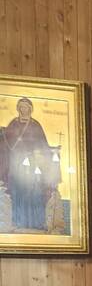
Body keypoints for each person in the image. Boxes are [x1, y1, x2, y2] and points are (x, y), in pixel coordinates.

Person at [0, 97, 61, 230]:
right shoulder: (13, 124)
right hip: (16, 166)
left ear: (30, 109)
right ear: (18, 109)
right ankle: (17, 221)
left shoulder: (35, 125)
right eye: (21, 107)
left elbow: (43, 145)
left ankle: (37, 222)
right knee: (17, 192)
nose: (24, 109)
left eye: (26, 107)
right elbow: (5, 141)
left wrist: (52, 151)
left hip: (33, 167)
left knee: (35, 192)